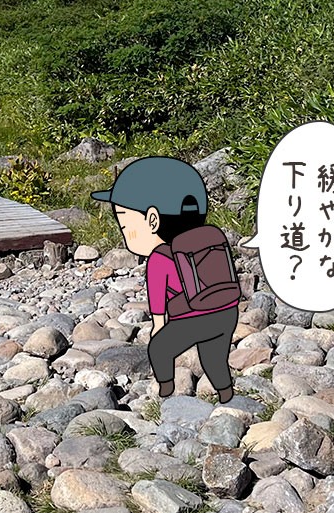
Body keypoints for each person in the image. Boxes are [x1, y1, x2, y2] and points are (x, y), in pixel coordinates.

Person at [92, 157, 241, 402]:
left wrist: (158, 328)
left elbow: (159, 304)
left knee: (159, 350)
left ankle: (166, 393)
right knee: (213, 357)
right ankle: (226, 394)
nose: (123, 230)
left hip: (196, 317)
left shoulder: (159, 258)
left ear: (152, 220)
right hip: (226, 311)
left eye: (124, 221)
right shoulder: (210, 238)